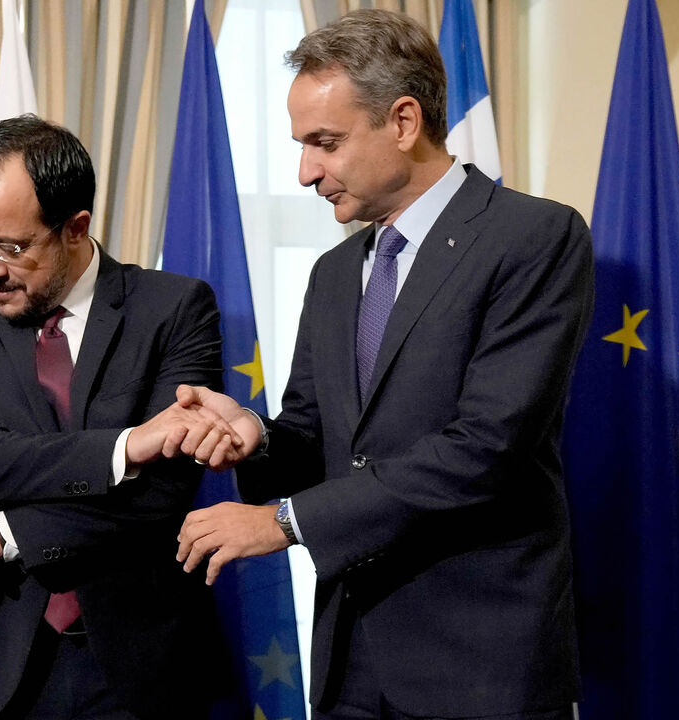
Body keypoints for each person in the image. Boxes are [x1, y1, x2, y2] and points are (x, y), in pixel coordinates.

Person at [157, 10, 593, 720]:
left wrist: (286, 523)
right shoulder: (334, 273)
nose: (305, 172)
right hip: (350, 663)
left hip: (481, 668)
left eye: (324, 143)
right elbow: (319, 438)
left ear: (402, 120)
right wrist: (256, 439)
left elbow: (486, 450)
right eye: (301, 146)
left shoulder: (534, 238)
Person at [0, 114, 234, 719]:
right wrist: (126, 447)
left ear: (75, 228)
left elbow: (162, 493)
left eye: (11, 246)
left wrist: (6, 538)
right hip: (2, 666)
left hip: (146, 665)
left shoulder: (175, 309)